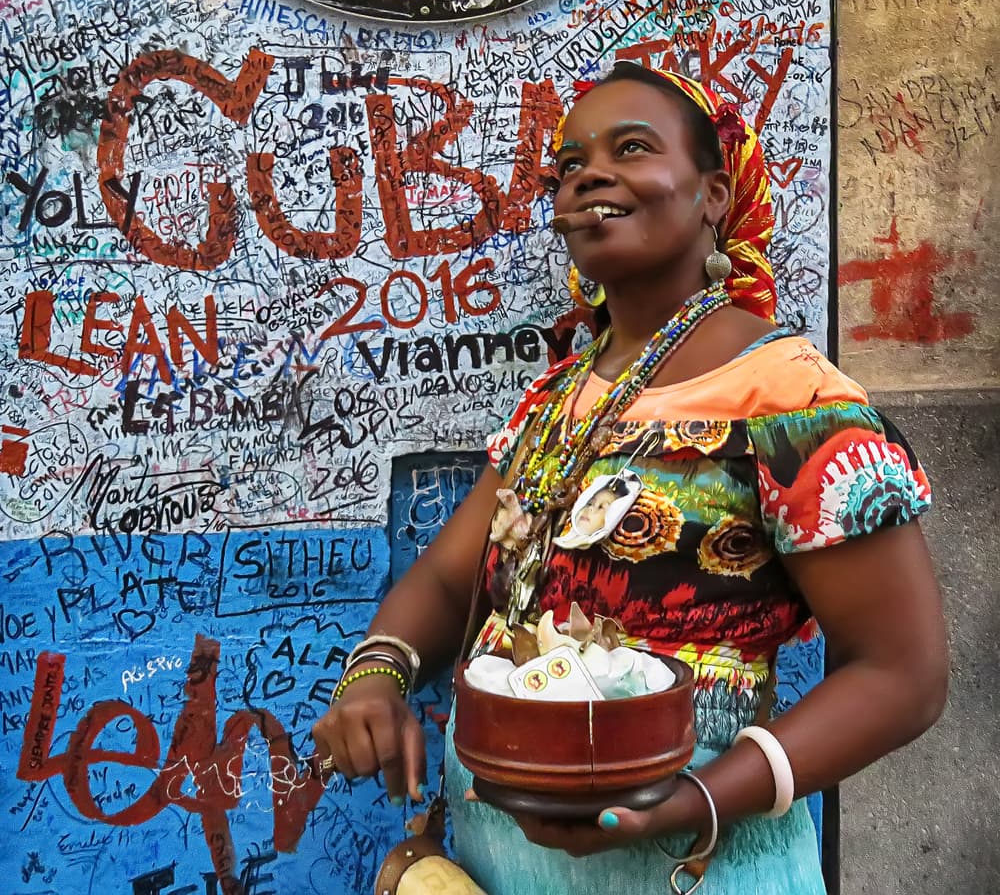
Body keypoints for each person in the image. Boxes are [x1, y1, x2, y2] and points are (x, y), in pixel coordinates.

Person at [312, 62, 948, 894]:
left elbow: (904, 675)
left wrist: (695, 800)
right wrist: (376, 676)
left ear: (714, 195)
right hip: (497, 867)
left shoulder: (793, 401)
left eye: (632, 148)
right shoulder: (561, 401)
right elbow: (444, 578)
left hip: (697, 867)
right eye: (570, 165)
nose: (588, 177)